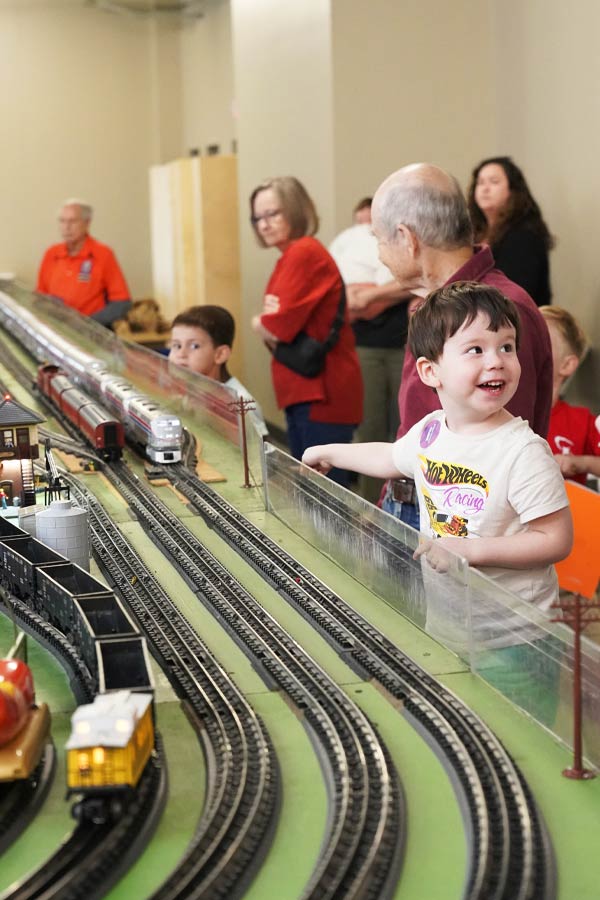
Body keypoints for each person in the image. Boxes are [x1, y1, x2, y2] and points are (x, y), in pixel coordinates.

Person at [302, 282, 572, 630]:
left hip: (514, 636)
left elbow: (555, 540)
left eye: (506, 347)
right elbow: (391, 458)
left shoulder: (523, 451)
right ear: (431, 372)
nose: (496, 361)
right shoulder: (433, 431)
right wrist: (328, 452)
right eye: (475, 349)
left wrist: (468, 551)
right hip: (449, 622)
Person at [370, 163, 553, 530]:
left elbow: (497, 458)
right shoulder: (435, 304)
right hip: (412, 500)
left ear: (408, 239)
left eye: (379, 238)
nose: (379, 254)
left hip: (455, 520)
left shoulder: (500, 310)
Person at [250, 176, 363, 487]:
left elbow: (276, 326)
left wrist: (261, 323)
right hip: (305, 389)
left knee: (324, 496)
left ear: (295, 210)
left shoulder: (303, 252)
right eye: (258, 217)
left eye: (273, 214)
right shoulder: (290, 255)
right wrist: (267, 321)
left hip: (322, 391)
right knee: (310, 491)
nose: (265, 224)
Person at [329, 198, 411, 503]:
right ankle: (372, 506)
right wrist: (364, 300)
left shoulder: (399, 249)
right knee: (371, 431)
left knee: (408, 430)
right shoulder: (346, 250)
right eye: (359, 221)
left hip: (402, 345)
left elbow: (410, 282)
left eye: (370, 223)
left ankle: (407, 506)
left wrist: (373, 296)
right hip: (363, 347)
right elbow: (347, 300)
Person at [467, 157, 554, 307]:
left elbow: (513, 294)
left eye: (494, 182)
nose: (485, 188)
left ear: (513, 190)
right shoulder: (472, 233)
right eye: (480, 182)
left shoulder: (524, 236)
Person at [169, 304, 268, 435]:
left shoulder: (240, 404)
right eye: (176, 345)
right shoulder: (190, 390)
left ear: (220, 354)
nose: (181, 354)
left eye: (194, 346)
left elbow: (259, 450)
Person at [37, 199, 132, 327]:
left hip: (91, 332)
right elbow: (40, 298)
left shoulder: (103, 254)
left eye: (73, 221)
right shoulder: (52, 254)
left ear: (87, 223)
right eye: (62, 221)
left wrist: (86, 323)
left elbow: (121, 303)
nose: (67, 227)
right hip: (58, 330)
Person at [539, 305, 600, 485]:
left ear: (567, 365)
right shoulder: (501, 410)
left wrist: (582, 463)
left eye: (540, 340)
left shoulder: (582, 420)